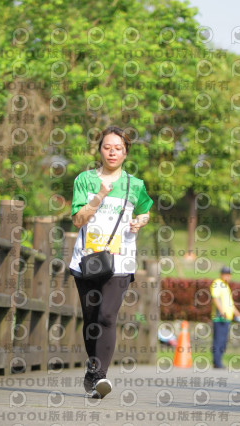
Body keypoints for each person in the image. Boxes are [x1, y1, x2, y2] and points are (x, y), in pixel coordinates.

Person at [69, 126, 153, 399]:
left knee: (107, 316)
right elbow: (78, 220)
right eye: (107, 147)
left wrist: (140, 221)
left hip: (121, 261)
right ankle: (92, 369)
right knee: (91, 318)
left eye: (118, 147)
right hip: (88, 260)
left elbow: (145, 213)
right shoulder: (84, 179)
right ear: (100, 149)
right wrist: (99, 196)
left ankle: (100, 376)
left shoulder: (135, 185)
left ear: (126, 151)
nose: (113, 151)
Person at [210, 266, 240, 369]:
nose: (227, 276)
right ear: (221, 274)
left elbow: (230, 304)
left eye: (229, 274)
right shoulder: (217, 283)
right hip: (220, 317)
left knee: (223, 340)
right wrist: (221, 311)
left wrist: (238, 314)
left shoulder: (226, 286)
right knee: (219, 340)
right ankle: (217, 362)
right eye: (226, 274)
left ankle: (218, 361)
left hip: (227, 317)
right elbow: (215, 298)